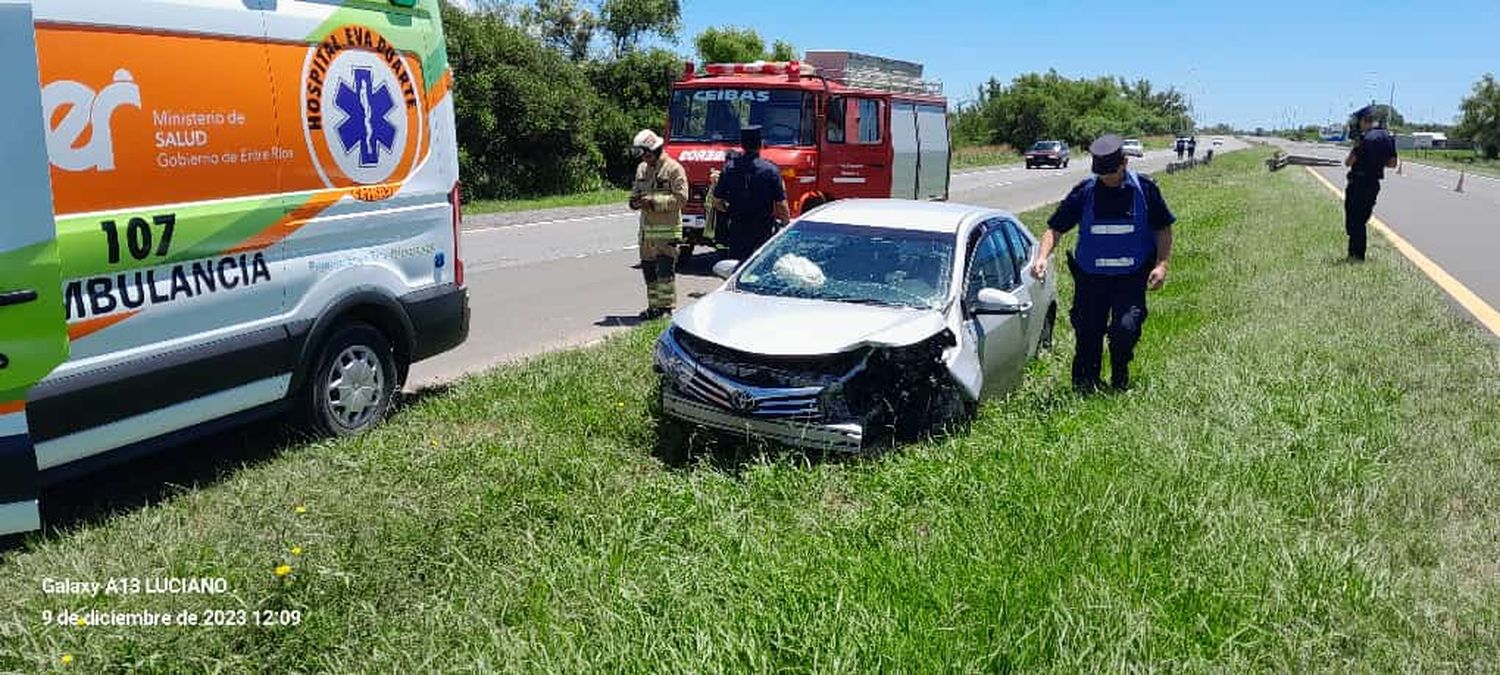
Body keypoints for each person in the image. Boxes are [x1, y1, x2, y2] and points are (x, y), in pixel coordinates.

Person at [1031, 134, 1176, 393]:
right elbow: (1055, 228)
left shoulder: (1145, 190)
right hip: (1091, 278)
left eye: (1111, 172)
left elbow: (1163, 228)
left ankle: (1120, 376)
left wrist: (1162, 264)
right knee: (1088, 332)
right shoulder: (1085, 192)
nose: (1106, 178)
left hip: (1131, 278)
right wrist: (1042, 257)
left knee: (1125, 329)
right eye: (1102, 173)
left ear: (1125, 163)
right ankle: (1086, 385)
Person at [628, 129, 688, 319]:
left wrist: (653, 202)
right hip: (647, 232)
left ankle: (666, 308)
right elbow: (636, 193)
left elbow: (681, 198)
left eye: (645, 153)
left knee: (664, 271)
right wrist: (635, 202)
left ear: (654, 150)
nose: (644, 158)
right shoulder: (642, 169)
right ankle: (653, 307)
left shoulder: (673, 169)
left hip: (667, 230)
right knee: (649, 271)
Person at [712, 125, 792, 263]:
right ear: (761, 144)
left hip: (738, 227)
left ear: (742, 145)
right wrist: (786, 225)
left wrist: (729, 211)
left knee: (737, 267)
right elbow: (781, 203)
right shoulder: (771, 170)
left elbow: (717, 200)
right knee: (761, 265)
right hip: (763, 228)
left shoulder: (729, 168)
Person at [1342, 105, 1398, 261]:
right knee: (1362, 219)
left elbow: (1349, 162)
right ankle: (1356, 254)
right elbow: (1393, 164)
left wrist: (1356, 150)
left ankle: (1356, 256)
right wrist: (1376, 162)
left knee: (1354, 221)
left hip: (1358, 182)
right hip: (1373, 184)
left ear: (1363, 121)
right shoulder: (1387, 137)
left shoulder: (1364, 139)